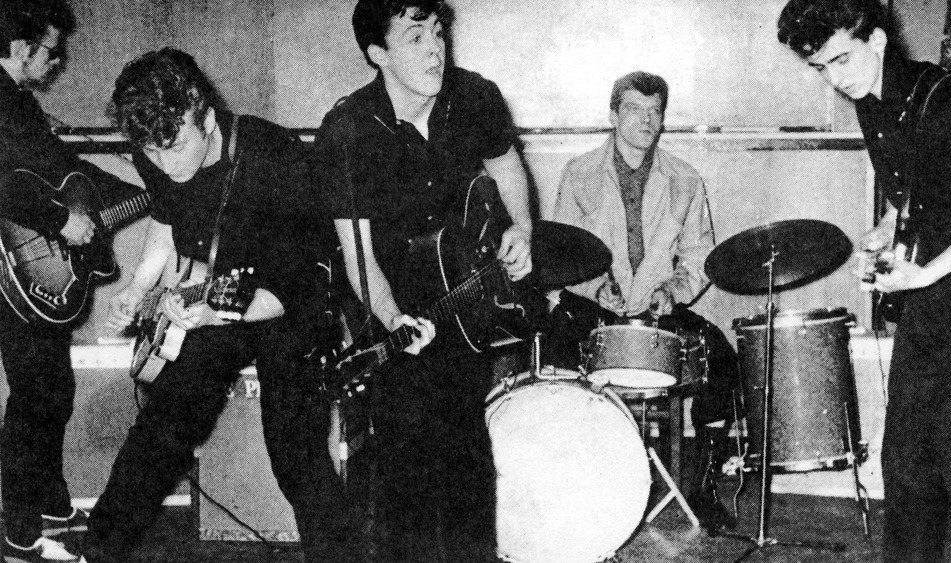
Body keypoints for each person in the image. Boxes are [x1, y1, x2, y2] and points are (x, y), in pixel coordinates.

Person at [80, 48, 355, 563]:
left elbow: (308, 278)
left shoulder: (277, 157)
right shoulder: (157, 142)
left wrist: (222, 311)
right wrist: (137, 289)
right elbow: (164, 219)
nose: (164, 164)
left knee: (295, 454)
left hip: (289, 300)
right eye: (151, 153)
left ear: (206, 117)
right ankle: (97, 552)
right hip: (217, 292)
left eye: (175, 147)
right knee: (163, 427)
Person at [778, 1, 951, 560]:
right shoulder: (871, 101)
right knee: (904, 456)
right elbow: (921, 192)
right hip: (933, 288)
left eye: (842, 60)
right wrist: (884, 233)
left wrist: (923, 272)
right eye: (822, 68)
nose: (836, 79)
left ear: (877, 39)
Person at [312, 1, 533, 560]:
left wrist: (524, 229)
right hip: (395, 306)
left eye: (438, 32)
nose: (435, 48)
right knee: (403, 477)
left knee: (468, 461)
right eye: (415, 38)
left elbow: (506, 165)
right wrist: (392, 319)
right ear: (377, 53)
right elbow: (356, 250)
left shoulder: (476, 96)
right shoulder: (347, 130)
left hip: (469, 295)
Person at [547, 70, 739, 529]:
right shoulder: (579, 173)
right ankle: (568, 485)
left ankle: (704, 485)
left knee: (722, 361)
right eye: (634, 109)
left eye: (655, 112)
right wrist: (596, 289)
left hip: (659, 311)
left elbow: (699, 254)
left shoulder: (685, 180)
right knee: (551, 357)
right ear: (614, 114)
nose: (646, 120)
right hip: (594, 307)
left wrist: (672, 291)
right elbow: (561, 251)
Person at [0, 2, 142, 561]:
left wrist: (154, 183)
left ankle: (50, 504)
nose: (57, 61)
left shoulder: (20, 106)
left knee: (51, 388)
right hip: (17, 265)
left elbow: (61, 168)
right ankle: (17, 531)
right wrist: (60, 221)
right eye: (50, 50)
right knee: (37, 395)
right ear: (18, 47)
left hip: (36, 270)